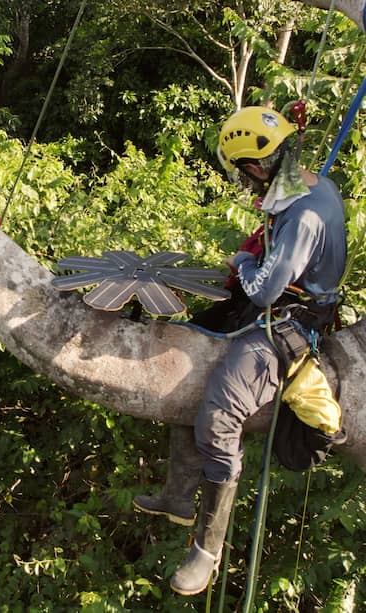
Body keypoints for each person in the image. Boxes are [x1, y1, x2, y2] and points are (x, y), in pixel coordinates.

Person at [133, 106, 348, 596]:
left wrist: (243, 260)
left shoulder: (303, 214)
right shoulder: (312, 187)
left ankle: (207, 550)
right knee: (185, 346)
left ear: (254, 166)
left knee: (219, 415)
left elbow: (266, 290)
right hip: (288, 303)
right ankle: (178, 495)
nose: (247, 183)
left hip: (286, 320)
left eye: (244, 173)